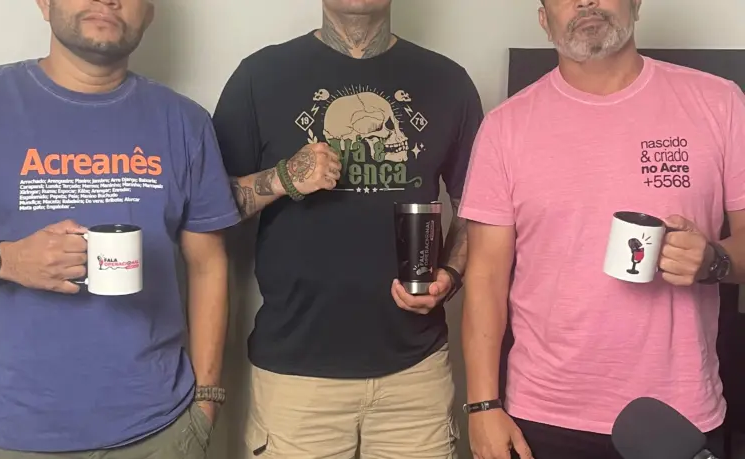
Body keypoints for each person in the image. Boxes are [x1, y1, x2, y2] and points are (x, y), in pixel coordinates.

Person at [458, 0, 745, 458]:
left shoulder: (719, 102)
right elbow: (485, 277)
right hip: (542, 414)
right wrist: (482, 405)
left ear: (636, 4)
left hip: (676, 415)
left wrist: (715, 260)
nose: (586, 1)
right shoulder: (505, 127)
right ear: (543, 19)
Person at [212, 0, 483, 456]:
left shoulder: (448, 82)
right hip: (296, 380)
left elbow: (479, 207)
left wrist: (450, 275)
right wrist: (283, 178)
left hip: (416, 377)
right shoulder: (261, 76)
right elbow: (209, 208)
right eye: (380, 133)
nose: (393, 140)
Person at [0, 1, 240, 458]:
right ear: (44, 4)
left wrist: (207, 401)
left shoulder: (184, 121)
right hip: (7, 436)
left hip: (161, 432)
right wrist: (5, 260)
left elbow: (208, 264)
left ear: (149, 13)